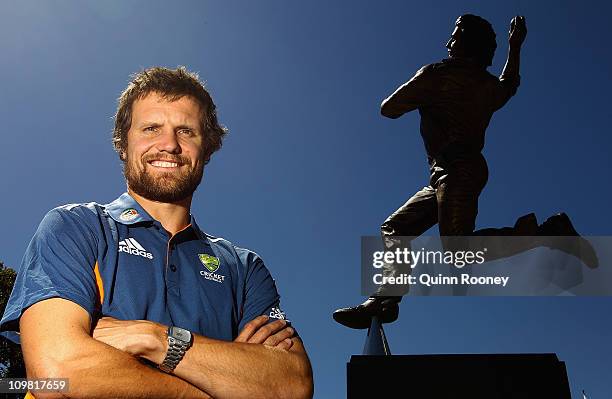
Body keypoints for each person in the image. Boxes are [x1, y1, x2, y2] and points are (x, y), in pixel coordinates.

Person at [0, 67, 313, 398]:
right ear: (123, 144)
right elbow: (55, 375)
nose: (169, 145)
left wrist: (155, 339)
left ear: (207, 149)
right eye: (151, 128)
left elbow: (291, 386)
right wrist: (224, 383)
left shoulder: (245, 268)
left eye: (186, 131)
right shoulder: (75, 226)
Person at [333, 15, 596, 330]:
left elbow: (388, 108)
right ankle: (385, 299)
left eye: (454, 37)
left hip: (457, 170)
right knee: (396, 227)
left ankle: (547, 233)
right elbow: (509, 84)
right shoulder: (487, 87)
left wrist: (424, 87)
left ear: (467, 44)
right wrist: (515, 47)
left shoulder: (438, 76)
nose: (448, 43)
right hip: (449, 173)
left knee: (457, 250)